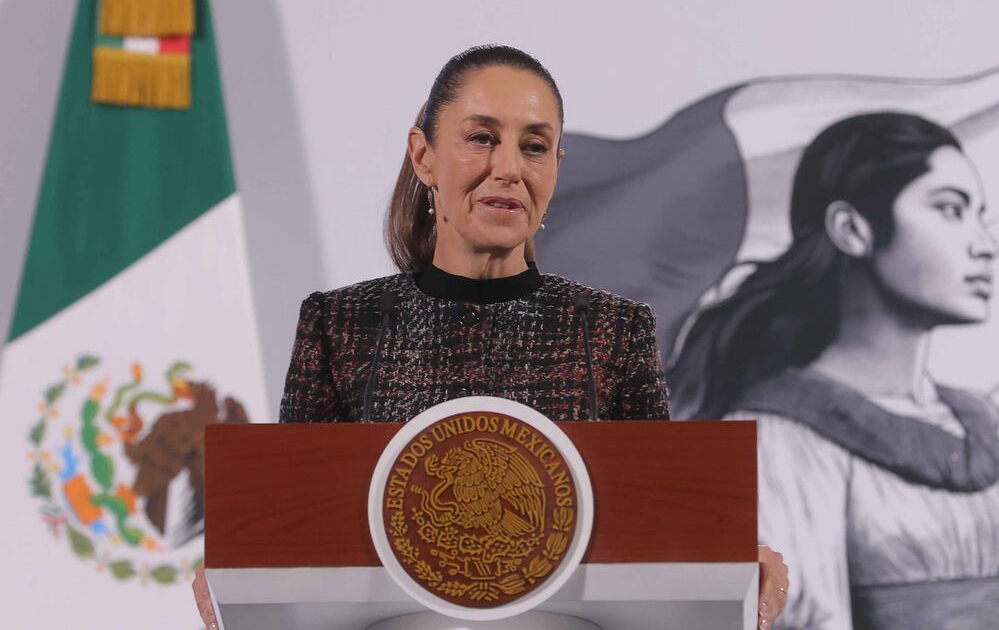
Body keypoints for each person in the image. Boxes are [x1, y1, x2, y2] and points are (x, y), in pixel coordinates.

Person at [194, 44, 789, 629]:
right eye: (482, 138)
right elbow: (295, 530)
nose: (509, 167)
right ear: (423, 156)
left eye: (534, 147)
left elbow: (661, 533)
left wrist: (734, 564)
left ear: (555, 168)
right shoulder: (340, 324)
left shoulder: (614, 330)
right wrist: (240, 566)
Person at [669, 112, 999, 629]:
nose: (985, 245)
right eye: (950, 210)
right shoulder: (775, 441)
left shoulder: (984, 417)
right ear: (851, 229)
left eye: (981, 216)